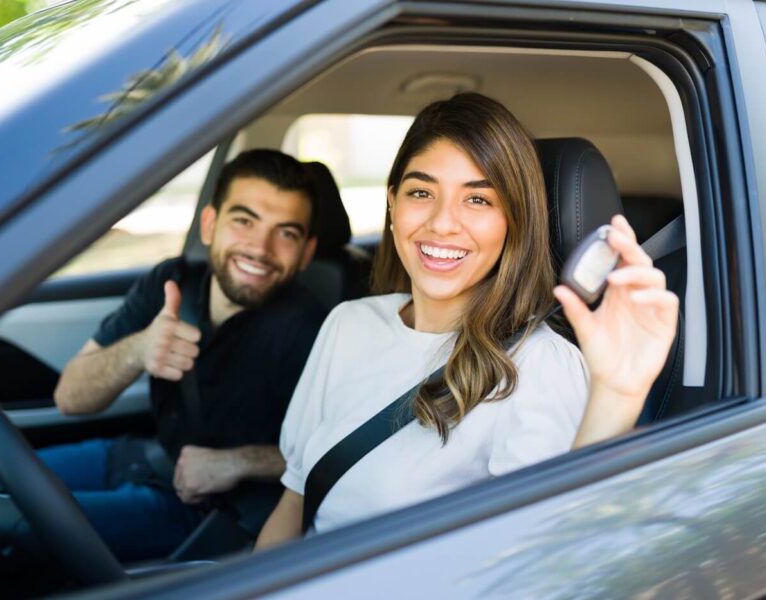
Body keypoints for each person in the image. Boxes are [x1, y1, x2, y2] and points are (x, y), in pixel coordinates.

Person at [255, 93, 678, 546]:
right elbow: (294, 505)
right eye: (421, 192)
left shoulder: (540, 365)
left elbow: (552, 550)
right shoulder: (349, 323)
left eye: (477, 200)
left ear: (513, 221)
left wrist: (617, 394)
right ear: (393, 204)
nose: (442, 223)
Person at [49, 149, 327, 562]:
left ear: (306, 252)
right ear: (210, 224)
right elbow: (69, 397)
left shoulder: (317, 330)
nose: (260, 248)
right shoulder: (170, 283)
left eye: (285, 233)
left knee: (14, 523)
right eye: (244, 221)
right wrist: (139, 349)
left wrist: (240, 462)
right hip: (146, 455)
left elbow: (337, 451)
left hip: (209, 509)